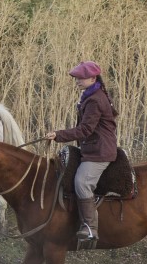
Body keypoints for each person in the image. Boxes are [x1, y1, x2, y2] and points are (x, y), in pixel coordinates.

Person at [45, 61, 118, 246]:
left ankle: (90, 227)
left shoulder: (95, 99)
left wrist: (58, 135)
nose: (77, 81)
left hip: (99, 152)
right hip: (91, 149)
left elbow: (85, 129)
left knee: (82, 182)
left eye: (80, 78)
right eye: (76, 78)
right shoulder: (91, 95)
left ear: (93, 78)